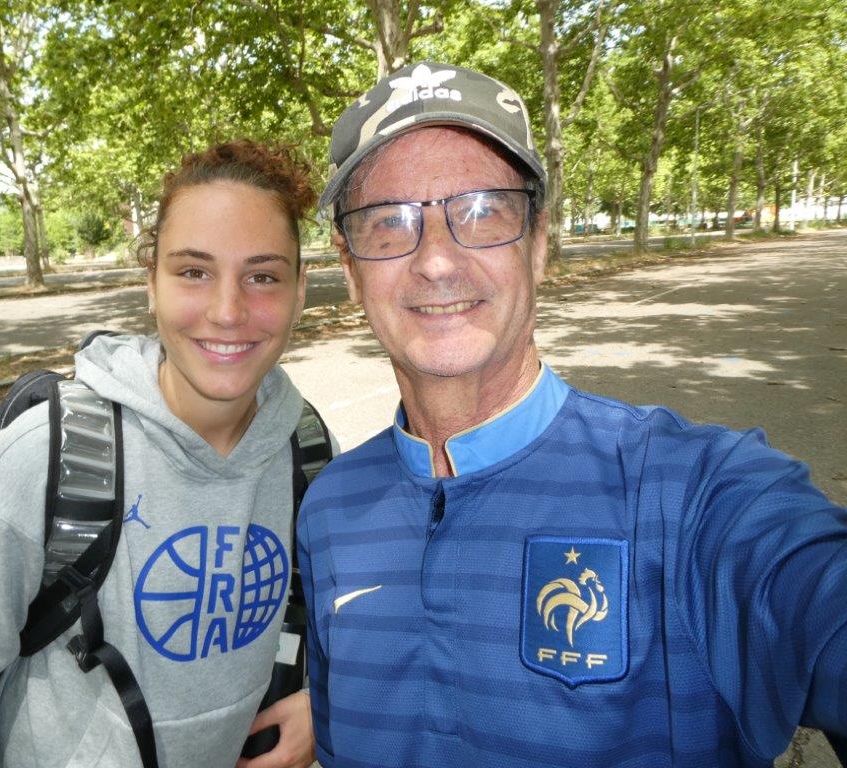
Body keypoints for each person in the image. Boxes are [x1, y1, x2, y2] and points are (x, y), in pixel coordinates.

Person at [296, 62, 847, 767]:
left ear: (537, 244)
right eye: (388, 221)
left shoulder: (691, 492)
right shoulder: (330, 508)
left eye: (483, 211)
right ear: (350, 269)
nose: (435, 260)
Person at [0, 140, 322, 768]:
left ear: (299, 290)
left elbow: (340, 625)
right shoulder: (41, 463)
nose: (228, 311)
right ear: (151, 286)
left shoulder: (308, 451)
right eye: (193, 272)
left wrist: (319, 701)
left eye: (263, 277)